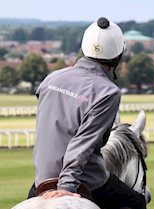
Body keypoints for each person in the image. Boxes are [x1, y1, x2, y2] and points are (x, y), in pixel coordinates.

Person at [27, 17, 146, 209]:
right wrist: (66, 186)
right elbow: (82, 143)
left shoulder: (51, 79)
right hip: (84, 178)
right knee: (136, 201)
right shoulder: (108, 92)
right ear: (117, 56)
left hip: (42, 178)